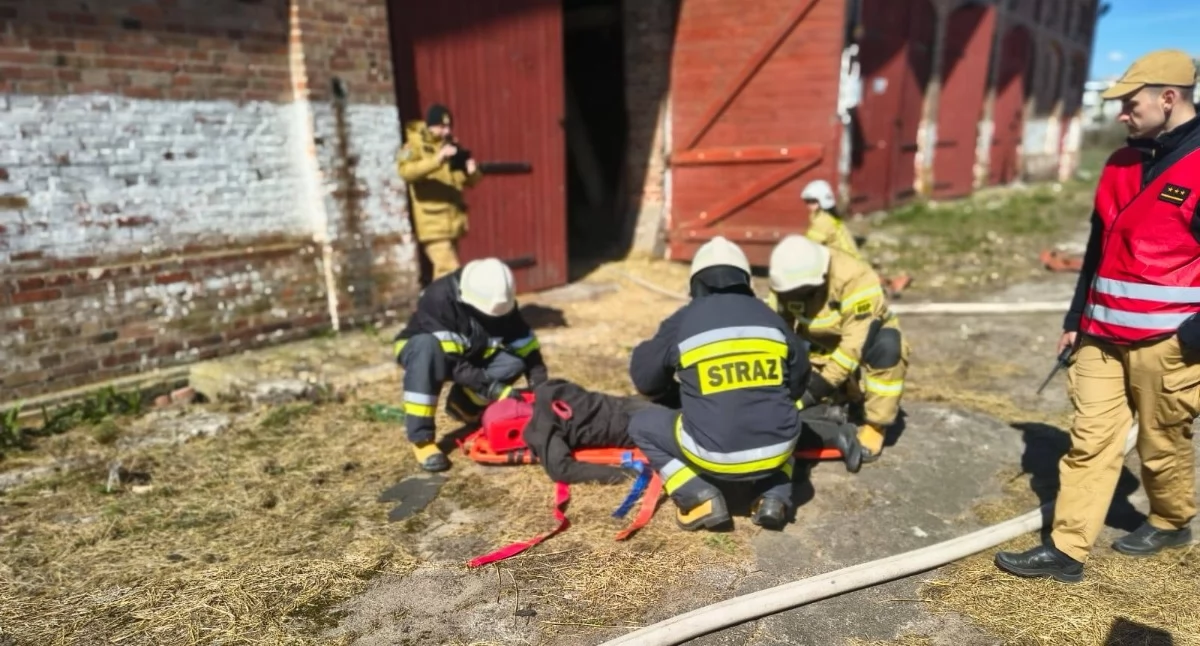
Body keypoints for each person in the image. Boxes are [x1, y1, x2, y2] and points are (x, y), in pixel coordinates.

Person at [995, 49, 1200, 583]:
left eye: (1130, 104)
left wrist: (1195, 334)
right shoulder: (1120, 164)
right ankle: (1067, 550)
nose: (1121, 114)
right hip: (1100, 335)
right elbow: (1096, 247)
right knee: (1089, 441)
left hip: (1169, 342)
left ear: (1168, 98)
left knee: (1161, 443)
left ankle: (1172, 519)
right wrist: (1074, 317)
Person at [625, 236, 812, 531]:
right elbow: (799, 382)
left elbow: (645, 379)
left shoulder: (685, 319)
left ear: (697, 283)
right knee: (783, 418)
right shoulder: (771, 317)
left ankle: (699, 496)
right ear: (745, 280)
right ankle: (775, 496)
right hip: (779, 450)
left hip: (713, 457)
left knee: (641, 423)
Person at [393, 257, 548, 472]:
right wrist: (494, 389)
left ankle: (464, 406)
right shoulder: (438, 299)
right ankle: (422, 440)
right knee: (427, 348)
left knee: (514, 361)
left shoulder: (500, 300)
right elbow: (454, 365)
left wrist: (541, 389)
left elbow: (528, 350)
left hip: (470, 353)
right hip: (424, 351)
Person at [766, 234, 910, 463]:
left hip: (863, 338)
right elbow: (776, 329)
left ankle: (875, 425)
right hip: (816, 343)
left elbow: (854, 345)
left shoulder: (854, 278)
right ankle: (842, 399)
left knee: (888, 348)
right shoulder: (786, 281)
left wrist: (815, 390)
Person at [397, 103, 483, 281]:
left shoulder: (451, 145)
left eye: (449, 126)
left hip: (453, 220)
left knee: (444, 276)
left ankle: (440, 308)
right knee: (450, 272)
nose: (447, 131)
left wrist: (472, 171)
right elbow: (405, 172)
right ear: (430, 125)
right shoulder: (414, 145)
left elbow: (467, 181)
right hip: (432, 222)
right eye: (442, 126)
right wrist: (437, 159)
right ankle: (450, 308)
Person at [801, 179, 862, 259]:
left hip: (845, 262)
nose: (809, 205)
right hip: (848, 259)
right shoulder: (831, 217)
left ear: (822, 201)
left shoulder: (823, 221)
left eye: (812, 201)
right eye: (807, 201)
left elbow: (810, 245)